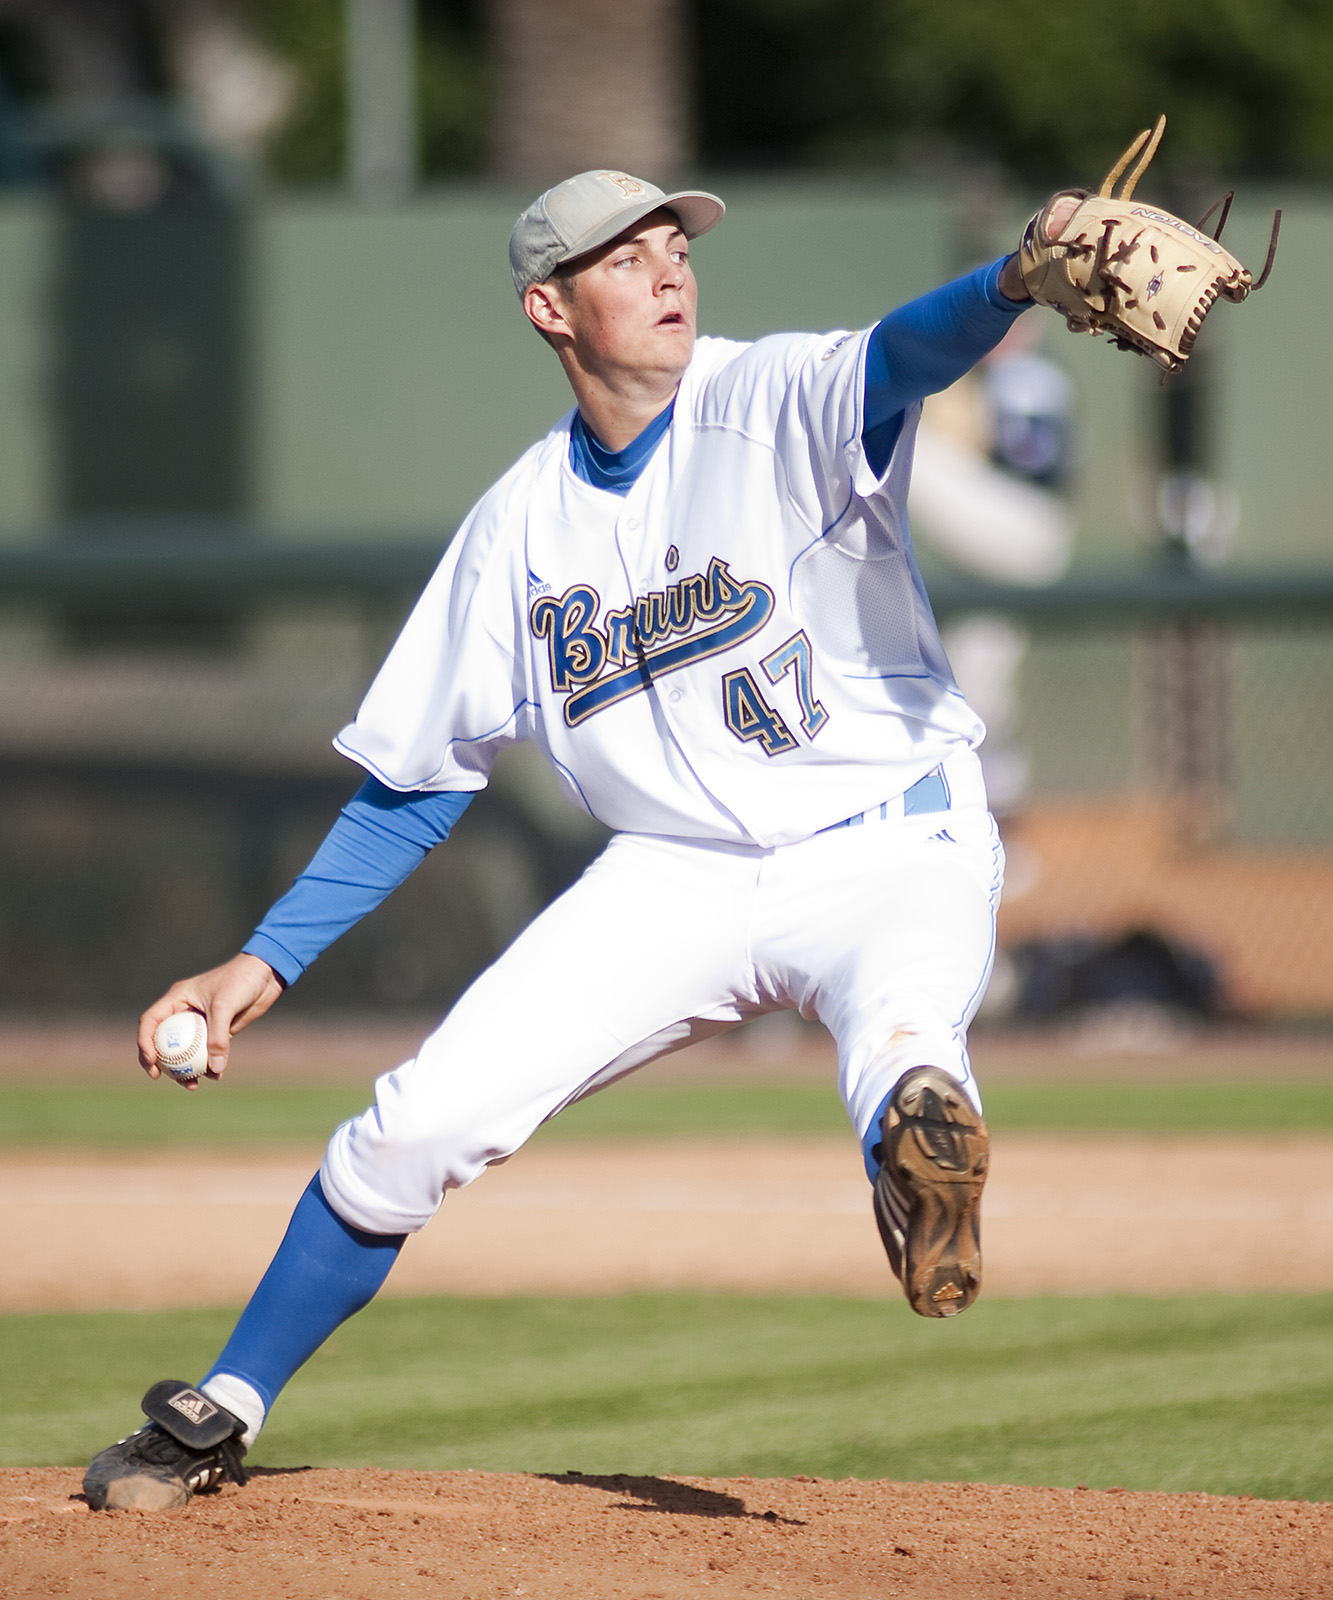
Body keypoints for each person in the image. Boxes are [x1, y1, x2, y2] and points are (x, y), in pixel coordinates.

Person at [84, 169, 1077, 1512]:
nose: (670, 272)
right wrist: (261, 963)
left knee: (903, 1041)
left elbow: (904, 353)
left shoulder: (761, 394)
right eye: (628, 258)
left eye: (677, 246)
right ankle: (226, 1406)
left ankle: (920, 1159)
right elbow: (421, 779)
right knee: (413, 1122)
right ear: (548, 307)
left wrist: (1009, 283)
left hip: (886, 836)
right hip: (674, 876)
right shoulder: (516, 528)